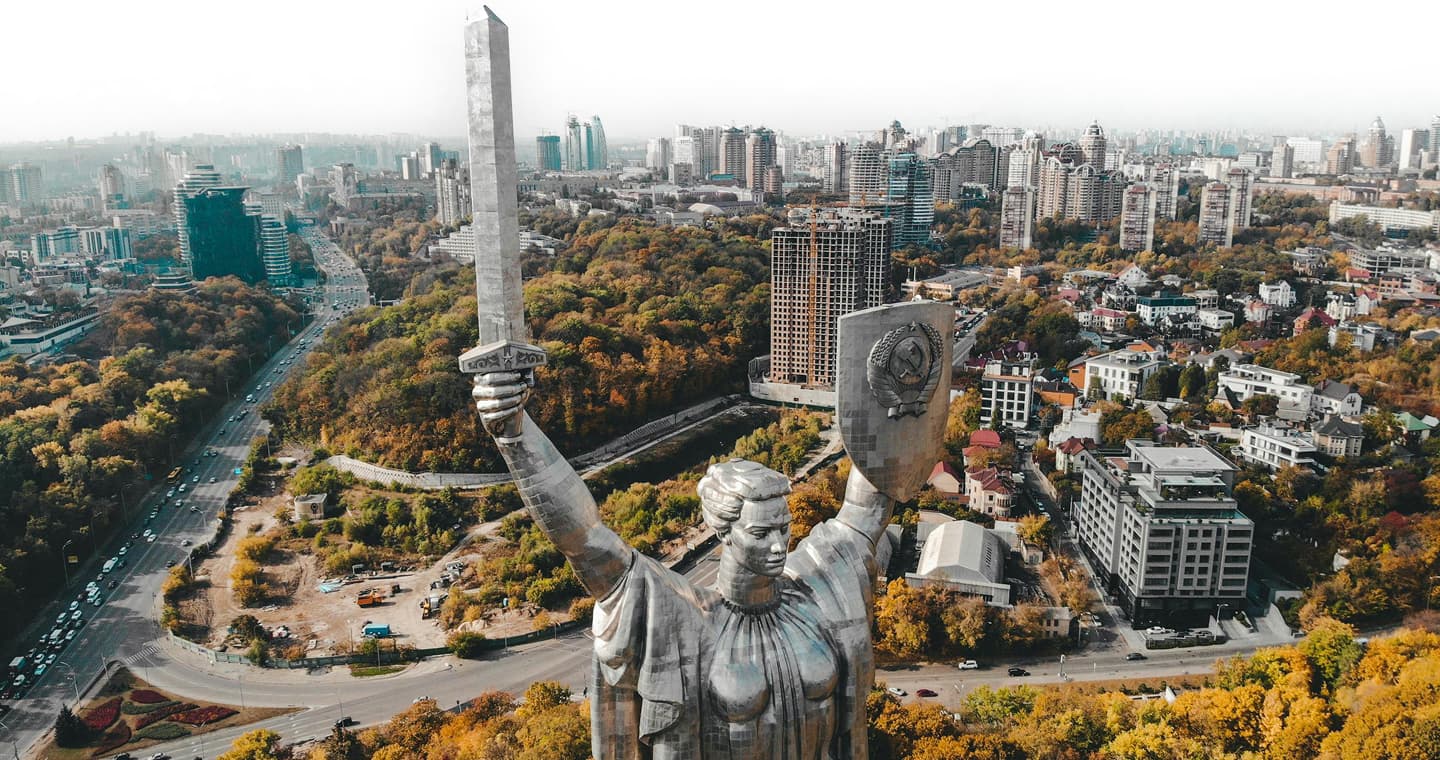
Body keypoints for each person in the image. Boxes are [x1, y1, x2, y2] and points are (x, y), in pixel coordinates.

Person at [474, 371, 897, 759]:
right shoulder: (682, 619)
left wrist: (893, 398)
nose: (779, 545)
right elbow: (585, 540)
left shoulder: (816, 592)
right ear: (723, 532)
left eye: (784, 529)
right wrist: (515, 435)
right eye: (761, 533)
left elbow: (867, 505)